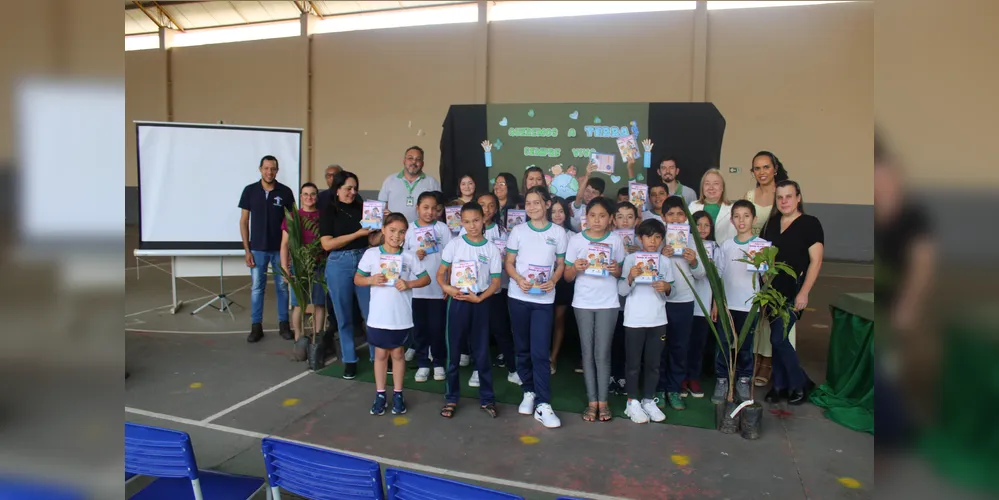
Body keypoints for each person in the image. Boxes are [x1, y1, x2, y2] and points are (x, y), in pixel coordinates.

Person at [355, 213, 431, 416]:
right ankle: (380, 393)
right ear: (383, 230)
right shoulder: (372, 254)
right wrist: (371, 280)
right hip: (379, 316)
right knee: (380, 354)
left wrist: (409, 283)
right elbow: (357, 279)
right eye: (392, 230)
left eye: (401, 232)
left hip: (401, 316)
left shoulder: (409, 256)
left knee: (398, 354)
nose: (396, 236)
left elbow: (425, 279)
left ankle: (398, 393)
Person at [505, 186, 568, 429]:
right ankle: (528, 391)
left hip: (544, 299)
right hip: (518, 297)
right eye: (528, 203)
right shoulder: (518, 231)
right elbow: (509, 263)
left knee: (540, 352)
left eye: (537, 202)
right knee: (522, 348)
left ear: (547, 204)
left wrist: (553, 280)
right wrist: (519, 279)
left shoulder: (558, 232)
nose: (532, 207)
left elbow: (561, 264)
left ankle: (543, 403)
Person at [437, 202, 503, 419]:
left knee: (482, 352)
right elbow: (441, 274)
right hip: (458, 303)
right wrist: (448, 288)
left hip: (481, 303)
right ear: (461, 222)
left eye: (476, 220)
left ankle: (487, 398)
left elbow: (495, 282)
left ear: (483, 219)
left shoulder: (491, 248)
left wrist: (481, 297)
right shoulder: (455, 245)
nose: (472, 226)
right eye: (466, 221)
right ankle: (451, 398)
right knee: (453, 352)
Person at [761, 180, 823, 406]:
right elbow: (764, 256)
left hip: (794, 291)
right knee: (777, 338)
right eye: (780, 197)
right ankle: (779, 386)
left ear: (798, 198)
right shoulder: (772, 223)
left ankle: (800, 383)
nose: (784, 201)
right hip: (771, 292)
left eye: (789, 196)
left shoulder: (810, 224)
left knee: (778, 337)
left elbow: (816, 262)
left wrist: (804, 293)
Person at [563, 197, 626, 422]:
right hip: (583, 303)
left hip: (608, 303)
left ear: (610, 219)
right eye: (592, 216)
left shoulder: (616, 240)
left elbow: (622, 274)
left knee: (602, 353)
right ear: (586, 218)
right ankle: (592, 402)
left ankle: (603, 402)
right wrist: (576, 268)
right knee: (587, 353)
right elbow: (567, 277)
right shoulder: (577, 240)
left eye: (602, 216)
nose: (597, 220)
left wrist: (615, 269)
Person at [320, 170, 380, 380]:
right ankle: (349, 359)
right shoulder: (328, 210)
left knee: (371, 313)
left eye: (355, 188)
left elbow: (372, 242)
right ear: (337, 189)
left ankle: (377, 358)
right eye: (347, 188)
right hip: (339, 263)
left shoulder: (363, 209)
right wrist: (357, 234)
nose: (352, 192)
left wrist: (383, 224)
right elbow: (326, 243)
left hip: (364, 259)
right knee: (343, 315)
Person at [743, 151, 790, 387]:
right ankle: (754, 358)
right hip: (753, 262)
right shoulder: (749, 195)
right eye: (756, 168)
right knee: (755, 312)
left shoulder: (783, 195)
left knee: (772, 313)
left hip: (776, 262)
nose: (761, 172)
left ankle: (768, 362)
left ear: (775, 168)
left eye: (765, 167)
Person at [619, 218, 673, 424]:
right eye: (648, 236)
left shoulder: (665, 262)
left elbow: (672, 291)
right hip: (634, 320)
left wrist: (666, 287)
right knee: (633, 364)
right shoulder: (631, 260)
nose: (653, 241)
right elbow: (621, 291)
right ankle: (632, 402)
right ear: (640, 238)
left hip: (658, 319)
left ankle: (649, 400)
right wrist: (630, 277)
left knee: (654, 364)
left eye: (658, 237)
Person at [460, 192, 517, 386]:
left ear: (497, 208)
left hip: (496, 289)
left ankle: (513, 368)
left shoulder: (503, 231)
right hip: (472, 290)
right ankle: (477, 369)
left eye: (491, 205)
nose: (487, 209)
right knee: (477, 332)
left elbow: (510, 257)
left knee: (501, 330)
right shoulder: (464, 232)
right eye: (482, 205)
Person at [238, 155, 295, 343]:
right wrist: (247, 250)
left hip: (280, 250)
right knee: (257, 288)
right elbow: (244, 221)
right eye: (266, 168)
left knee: (282, 286)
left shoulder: (285, 192)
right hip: (258, 249)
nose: (269, 172)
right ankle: (256, 326)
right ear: (260, 169)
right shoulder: (250, 191)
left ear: (277, 171)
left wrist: (291, 252)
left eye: (273, 169)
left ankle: (284, 325)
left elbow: (292, 223)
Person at [657, 197, 705, 410]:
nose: (675, 218)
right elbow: (647, 270)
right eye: (670, 214)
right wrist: (660, 255)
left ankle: (674, 389)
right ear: (663, 217)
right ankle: (658, 388)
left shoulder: (693, 241)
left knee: (679, 347)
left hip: (684, 301)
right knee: (659, 347)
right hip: (659, 302)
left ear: (686, 216)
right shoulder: (658, 239)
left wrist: (694, 261)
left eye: (679, 214)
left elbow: (702, 274)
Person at [711, 200, 761, 403]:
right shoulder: (726, 246)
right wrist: (716, 303)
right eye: (737, 216)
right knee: (723, 343)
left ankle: (743, 380)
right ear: (731, 220)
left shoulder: (762, 246)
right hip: (727, 306)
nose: (742, 220)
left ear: (754, 219)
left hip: (750, 306)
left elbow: (766, 277)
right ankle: (722, 380)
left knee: (746, 346)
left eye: (746, 216)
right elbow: (718, 276)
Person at [404, 192, 453, 383]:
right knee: (420, 329)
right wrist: (415, 254)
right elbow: (402, 256)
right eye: (425, 207)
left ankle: (438, 362)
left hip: (437, 289)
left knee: (437, 328)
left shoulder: (442, 229)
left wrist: (446, 285)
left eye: (434, 208)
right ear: (417, 208)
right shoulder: (408, 230)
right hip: (416, 290)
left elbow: (449, 259)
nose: (429, 212)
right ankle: (424, 363)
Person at [280, 182, 328, 361]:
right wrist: (285, 268)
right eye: (306, 194)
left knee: (319, 304)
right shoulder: (292, 217)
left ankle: (317, 337)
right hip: (299, 267)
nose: (309, 198)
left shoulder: (322, 217)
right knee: (298, 305)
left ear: (317, 196)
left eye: (313, 194)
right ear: (301, 197)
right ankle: (299, 338)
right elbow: (284, 245)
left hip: (319, 266)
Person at [686, 210, 721, 398]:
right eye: (698, 224)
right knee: (683, 342)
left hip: (704, 303)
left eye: (707, 225)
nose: (702, 229)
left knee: (698, 344)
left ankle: (693, 378)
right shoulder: (683, 242)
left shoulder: (715, 247)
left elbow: (718, 278)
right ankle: (681, 378)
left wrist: (715, 303)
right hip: (685, 300)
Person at [609, 201, 641, 395]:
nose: (625, 221)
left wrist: (639, 253)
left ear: (636, 220)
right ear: (613, 219)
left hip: (633, 302)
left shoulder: (642, 242)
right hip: (612, 300)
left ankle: (624, 377)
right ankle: (612, 375)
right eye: (620, 216)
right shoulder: (609, 240)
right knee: (614, 340)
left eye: (630, 216)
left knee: (629, 342)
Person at [377, 146, 441, 224]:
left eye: (418, 159)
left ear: (422, 163)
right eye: (410, 158)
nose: (414, 162)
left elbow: (439, 209)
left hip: (422, 231)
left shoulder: (432, 182)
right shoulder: (390, 180)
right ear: (404, 161)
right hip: (396, 230)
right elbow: (381, 208)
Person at [549, 196, 575, 375]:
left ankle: (553, 357)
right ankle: (540, 356)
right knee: (543, 321)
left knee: (559, 320)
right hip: (543, 281)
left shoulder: (573, 236)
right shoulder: (543, 231)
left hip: (563, 283)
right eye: (553, 212)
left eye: (561, 211)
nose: (557, 215)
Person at [688, 169, 736, 243]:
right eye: (707, 183)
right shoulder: (693, 206)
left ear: (722, 187)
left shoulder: (732, 208)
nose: (711, 187)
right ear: (702, 187)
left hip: (725, 252)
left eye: (716, 183)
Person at [568, 165, 606, 232]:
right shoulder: (579, 208)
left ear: (601, 196)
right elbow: (579, 197)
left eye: (594, 192)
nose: (589, 195)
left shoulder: (604, 211)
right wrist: (587, 175)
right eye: (587, 191)